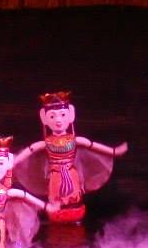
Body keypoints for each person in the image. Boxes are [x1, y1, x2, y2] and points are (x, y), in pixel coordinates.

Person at [14, 91, 127, 224]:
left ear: (70, 115)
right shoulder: (46, 143)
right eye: (52, 116)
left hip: (71, 174)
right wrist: (14, 161)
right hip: (56, 176)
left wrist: (114, 151)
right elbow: (31, 149)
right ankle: (56, 214)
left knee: (73, 198)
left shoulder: (75, 140)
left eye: (62, 115)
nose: (58, 120)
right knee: (57, 201)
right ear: (44, 118)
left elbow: (92, 145)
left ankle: (74, 215)